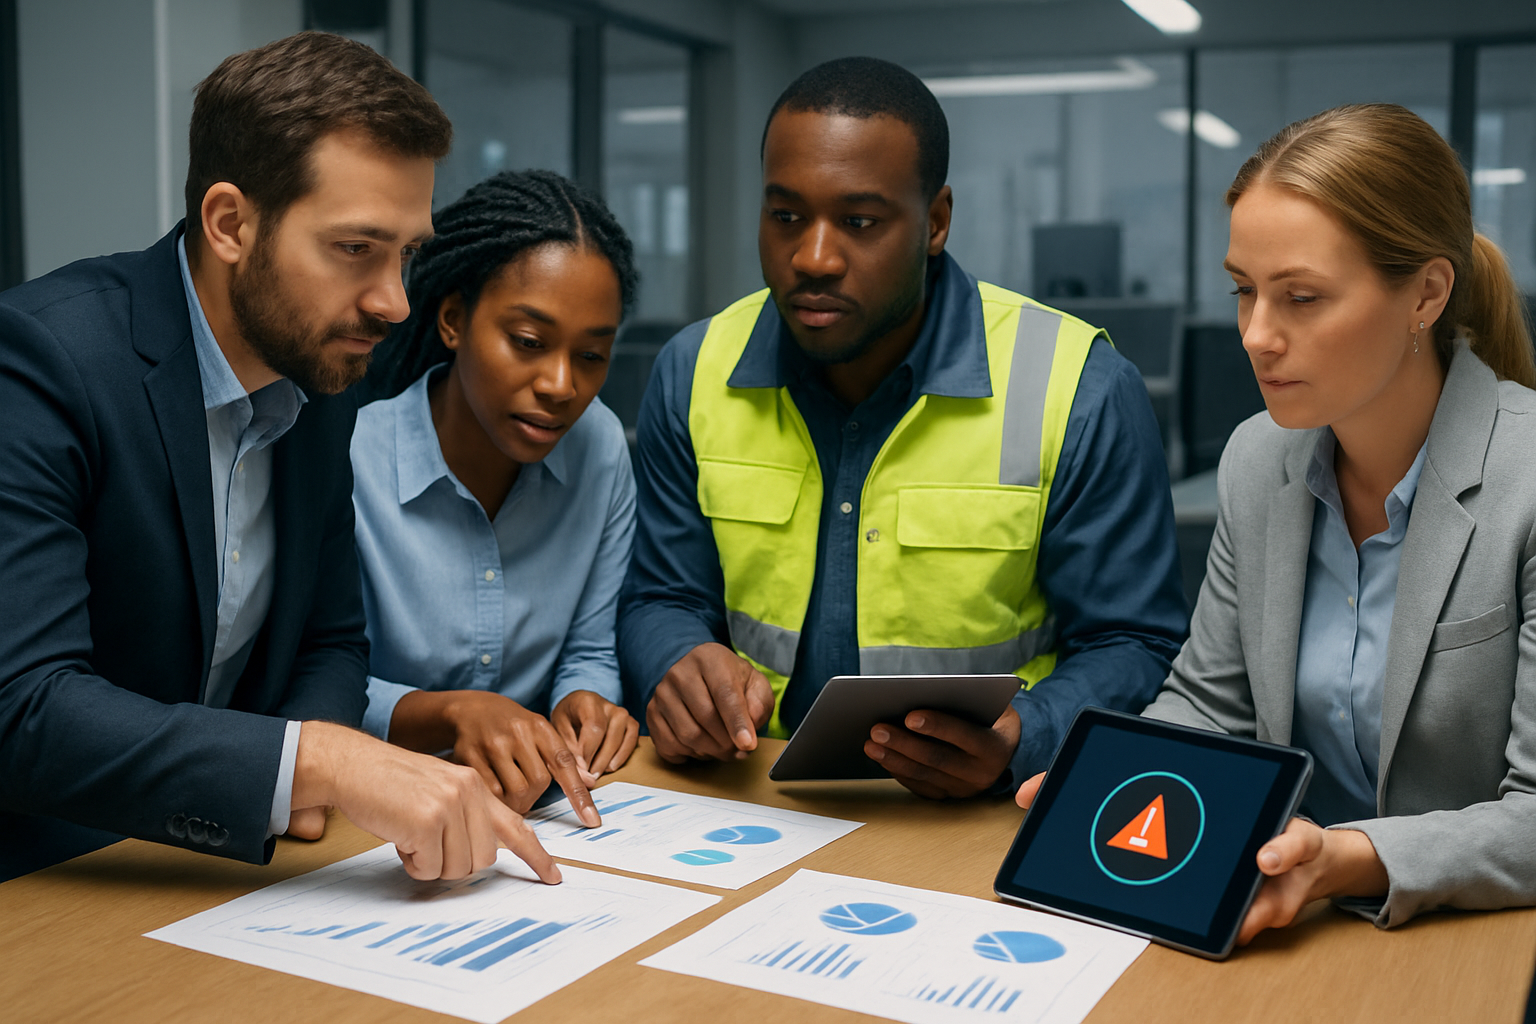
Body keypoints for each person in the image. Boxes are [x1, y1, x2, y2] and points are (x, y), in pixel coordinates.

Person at [0, 32, 557, 886]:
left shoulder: (319, 374)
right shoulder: (42, 362)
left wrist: (295, 788)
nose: (394, 302)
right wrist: (317, 764)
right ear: (230, 223)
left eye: (407, 253)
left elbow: (330, 642)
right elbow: (24, 709)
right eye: (355, 249)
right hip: (51, 885)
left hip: (233, 877)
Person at [1017, 103, 1536, 939]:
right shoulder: (1259, 461)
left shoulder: (1528, 479)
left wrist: (1345, 856)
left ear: (1426, 295)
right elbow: (1208, 703)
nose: (1257, 336)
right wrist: (1109, 781)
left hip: (1473, 937)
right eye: (1244, 292)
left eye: (1301, 298)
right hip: (1275, 919)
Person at [617, 56, 1188, 798]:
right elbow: (661, 594)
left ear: (936, 222)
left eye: (859, 222)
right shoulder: (693, 369)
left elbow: (1135, 642)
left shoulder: (1079, 386)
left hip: (979, 814)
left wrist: (1027, 732)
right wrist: (674, 658)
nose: (812, 258)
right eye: (785, 215)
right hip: (753, 799)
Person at [352, 170, 640, 822]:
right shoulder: (353, 462)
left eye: (592, 355)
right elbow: (320, 687)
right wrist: (455, 713)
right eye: (529, 343)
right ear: (454, 320)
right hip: (371, 819)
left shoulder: (598, 448)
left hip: (534, 811)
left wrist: (585, 702)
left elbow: (589, 651)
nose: (561, 385)